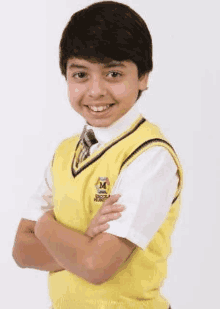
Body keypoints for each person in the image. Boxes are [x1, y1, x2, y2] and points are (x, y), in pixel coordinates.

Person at [12, 1, 183, 309]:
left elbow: (97, 266)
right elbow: (21, 251)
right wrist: (84, 241)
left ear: (143, 76)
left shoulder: (150, 156)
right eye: (80, 75)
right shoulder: (64, 153)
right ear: (66, 76)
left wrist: (45, 225)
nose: (95, 90)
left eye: (113, 74)